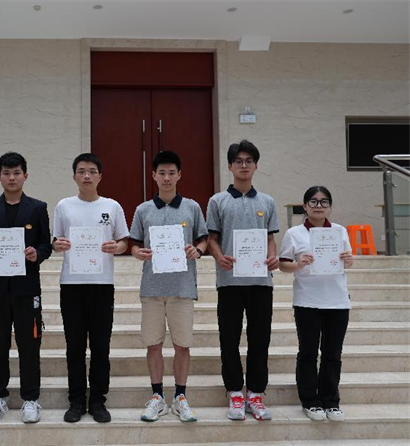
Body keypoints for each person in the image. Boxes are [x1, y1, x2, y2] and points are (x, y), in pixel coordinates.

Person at [129, 151, 207, 423]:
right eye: (161, 173)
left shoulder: (192, 207)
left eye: (171, 173)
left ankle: (180, 397)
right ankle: (157, 396)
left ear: (179, 175)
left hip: (182, 288)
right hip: (152, 289)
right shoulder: (143, 210)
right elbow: (134, 243)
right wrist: (137, 253)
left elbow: (203, 239)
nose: (166, 178)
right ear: (153, 175)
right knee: (154, 345)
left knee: (182, 345)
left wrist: (197, 250)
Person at [0, 152, 52, 424]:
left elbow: (46, 245)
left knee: (29, 344)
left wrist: (37, 253)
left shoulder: (37, 208)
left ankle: (30, 399)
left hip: (26, 288)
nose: (11, 178)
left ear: (25, 175)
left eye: (16, 172)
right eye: (6, 173)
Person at [52, 153, 129, 423]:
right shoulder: (64, 206)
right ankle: (76, 401)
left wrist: (116, 247)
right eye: (82, 171)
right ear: (74, 176)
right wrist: (57, 245)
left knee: (100, 346)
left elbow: (124, 241)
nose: (87, 175)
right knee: (74, 346)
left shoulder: (112, 206)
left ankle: (97, 400)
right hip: (72, 284)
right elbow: (55, 241)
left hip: (102, 284)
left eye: (92, 171)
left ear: (100, 176)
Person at [206, 140, 279, 421]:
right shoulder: (217, 201)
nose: (244, 165)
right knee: (229, 339)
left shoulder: (267, 202)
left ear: (256, 166)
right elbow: (212, 238)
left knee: (260, 339)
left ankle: (256, 394)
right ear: (230, 166)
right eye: (238, 161)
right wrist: (219, 256)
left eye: (249, 161)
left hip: (261, 282)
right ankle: (235, 392)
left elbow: (269, 238)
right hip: (230, 282)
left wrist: (272, 256)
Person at [279, 186, 353, 422]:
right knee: (308, 352)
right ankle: (310, 401)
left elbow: (348, 262)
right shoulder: (294, 233)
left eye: (324, 202)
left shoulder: (340, 231)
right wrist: (298, 264)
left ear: (330, 206)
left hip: (337, 301)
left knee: (333, 354)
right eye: (313, 201)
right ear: (305, 206)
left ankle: (331, 401)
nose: (318, 206)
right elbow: (282, 264)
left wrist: (348, 259)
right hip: (307, 301)